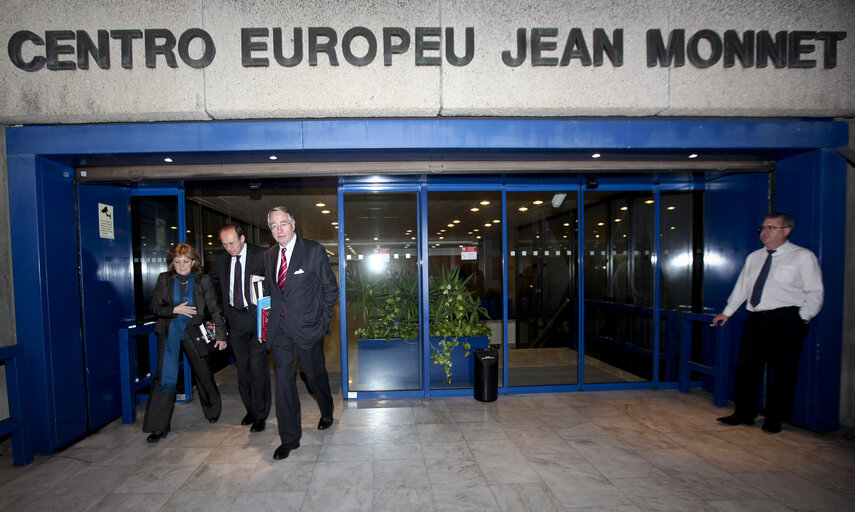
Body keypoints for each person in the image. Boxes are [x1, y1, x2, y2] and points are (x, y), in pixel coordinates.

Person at [712, 212, 823, 433]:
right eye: (763, 228)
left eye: (771, 228)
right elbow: (742, 286)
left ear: (786, 230)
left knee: (782, 372)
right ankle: (744, 412)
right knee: (746, 367)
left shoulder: (802, 256)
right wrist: (727, 312)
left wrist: (803, 317)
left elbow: (815, 290)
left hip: (786, 319)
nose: (765, 232)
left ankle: (775, 418)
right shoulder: (754, 257)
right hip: (756, 319)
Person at [263, 205, 338, 460]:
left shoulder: (313, 251)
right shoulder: (269, 255)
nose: (279, 230)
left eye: (283, 223)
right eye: (273, 225)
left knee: (314, 377)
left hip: (308, 330)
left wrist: (321, 323)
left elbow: (330, 290)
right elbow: (274, 295)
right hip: (281, 333)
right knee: (284, 384)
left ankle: (327, 409)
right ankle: (290, 439)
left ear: (293, 224)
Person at [143, 243, 227, 443]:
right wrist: (175, 310)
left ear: (193, 261)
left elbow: (214, 309)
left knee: (204, 373)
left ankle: (212, 410)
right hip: (169, 333)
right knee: (164, 378)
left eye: (186, 261)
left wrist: (221, 336)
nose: (182, 265)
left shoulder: (203, 280)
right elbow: (155, 307)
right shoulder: (164, 279)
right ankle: (158, 426)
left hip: (194, 332)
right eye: (177, 261)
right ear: (172, 263)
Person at [210, 224, 270, 432]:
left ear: (242, 238)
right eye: (225, 245)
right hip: (235, 321)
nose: (229, 248)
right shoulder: (222, 260)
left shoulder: (261, 255)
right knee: (242, 370)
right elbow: (210, 282)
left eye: (232, 243)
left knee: (258, 367)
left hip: (256, 320)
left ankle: (261, 414)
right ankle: (251, 409)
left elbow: (273, 285)